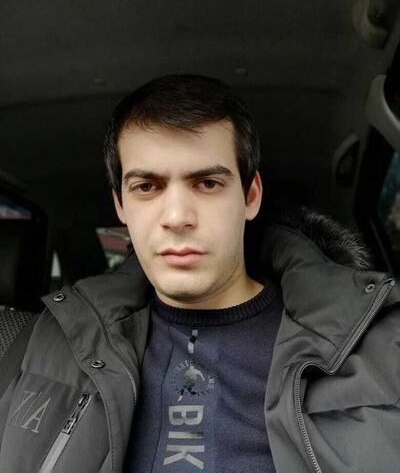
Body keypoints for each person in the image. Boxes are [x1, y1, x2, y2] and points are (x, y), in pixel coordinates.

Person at [0, 74, 399, 473]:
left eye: (207, 183)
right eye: (147, 187)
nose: (177, 217)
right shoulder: (42, 348)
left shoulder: (376, 347)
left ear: (250, 196)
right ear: (120, 205)